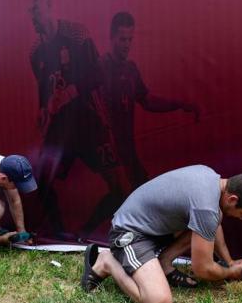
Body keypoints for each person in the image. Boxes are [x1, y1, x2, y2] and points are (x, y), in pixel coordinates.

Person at [80, 12, 201, 237]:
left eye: (130, 39)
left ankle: (87, 232)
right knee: (124, 192)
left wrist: (180, 104)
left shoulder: (131, 69)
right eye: (122, 39)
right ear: (111, 38)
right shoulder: (100, 67)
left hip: (128, 147)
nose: (126, 44)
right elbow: (85, 104)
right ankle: (121, 239)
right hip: (107, 145)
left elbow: (147, 101)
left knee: (135, 191)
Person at [80, 165, 242, 303]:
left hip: (154, 228)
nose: (241, 219)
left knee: (211, 220)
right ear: (232, 199)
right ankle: (108, 262)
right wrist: (229, 272)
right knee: (159, 300)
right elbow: (202, 268)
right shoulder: (206, 207)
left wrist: (230, 262)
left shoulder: (210, 177)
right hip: (129, 232)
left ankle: (163, 262)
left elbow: (211, 226)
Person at [28, 0, 128, 239]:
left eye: (36, 10)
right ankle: (60, 235)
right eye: (31, 11)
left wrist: (72, 92)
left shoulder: (77, 34)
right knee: (39, 182)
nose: (33, 16)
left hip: (87, 119)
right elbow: (43, 86)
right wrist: (43, 109)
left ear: (50, 7)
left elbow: (98, 75)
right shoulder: (35, 51)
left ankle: (88, 231)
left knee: (118, 186)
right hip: (59, 126)